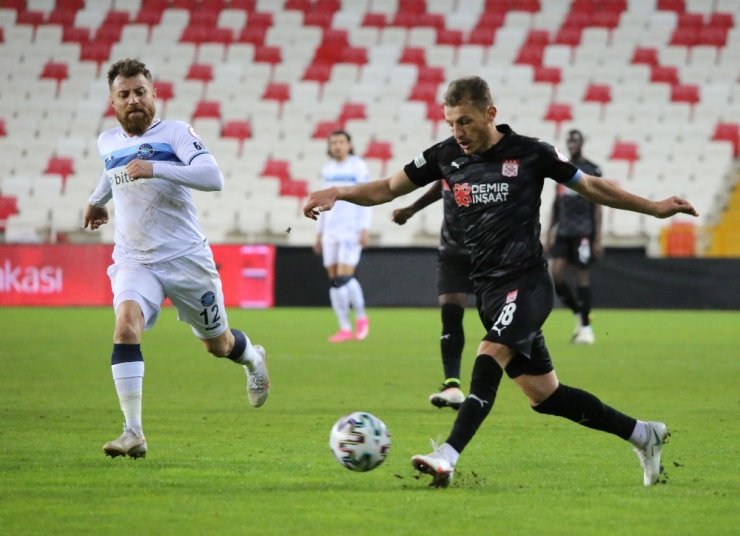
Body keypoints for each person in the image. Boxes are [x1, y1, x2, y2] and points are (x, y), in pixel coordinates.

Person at [303, 76, 697, 488]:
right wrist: (338, 193)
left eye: (467, 122)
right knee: (545, 396)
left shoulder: (532, 153)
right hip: (489, 289)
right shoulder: (445, 155)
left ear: (491, 114)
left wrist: (654, 208)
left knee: (490, 352)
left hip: (527, 282)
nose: (459, 132)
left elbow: (591, 186)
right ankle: (643, 434)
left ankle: (447, 455)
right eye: (452, 123)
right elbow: (386, 188)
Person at [83, 58, 270, 460]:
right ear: (112, 102)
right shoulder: (108, 140)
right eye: (124, 94)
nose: (133, 100)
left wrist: (157, 169)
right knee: (125, 328)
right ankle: (133, 431)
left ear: (154, 96)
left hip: (186, 259)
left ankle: (253, 358)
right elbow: (110, 170)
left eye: (140, 92)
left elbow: (212, 177)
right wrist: (97, 201)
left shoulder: (176, 133)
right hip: (135, 259)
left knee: (218, 346)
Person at [392, 180, 475, 409]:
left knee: (495, 320)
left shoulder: (494, 159)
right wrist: (411, 209)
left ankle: (491, 387)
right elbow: (442, 184)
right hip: (452, 251)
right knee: (450, 315)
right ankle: (452, 385)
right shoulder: (448, 155)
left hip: (488, 251)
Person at [313, 130, 372, 342]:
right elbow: (322, 202)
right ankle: (345, 327)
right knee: (334, 281)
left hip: (351, 229)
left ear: (349, 144)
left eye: (341, 142)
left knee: (344, 277)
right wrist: (319, 233)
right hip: (330, 230)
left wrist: (364, 228)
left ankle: (362, 317)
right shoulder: (327, 170)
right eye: (333, 142)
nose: (337, 146)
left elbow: (367, 197)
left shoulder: (358, 166)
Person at [545, 129, 603, 345]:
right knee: (557, 275)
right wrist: (549, 232)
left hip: (584, 232)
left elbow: (597, 206)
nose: (572, 144)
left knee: (582, 275)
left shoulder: (592, 169)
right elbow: (556, 204)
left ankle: (586, 329)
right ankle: (580, 312)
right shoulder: (561, 167)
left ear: (582, 143)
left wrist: (597, 237)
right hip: (563, 231)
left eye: (576, 140)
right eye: (569, 140)